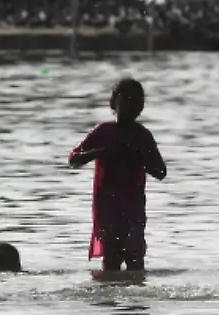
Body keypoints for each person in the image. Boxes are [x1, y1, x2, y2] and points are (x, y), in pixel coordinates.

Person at [69, 77, 168, 271]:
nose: (131, 106)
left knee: (135, 257)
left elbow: (161, 172)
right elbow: (73, 159)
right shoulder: (103, 132)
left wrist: (138, 156)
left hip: (133, 206)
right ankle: (110, 294)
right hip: (107, 206)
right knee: (111, 257)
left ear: (142, 107)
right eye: (126, 100)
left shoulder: (142, 136)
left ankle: (136, 295)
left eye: (136, 101)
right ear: (113, 102)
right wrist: (99, 152)